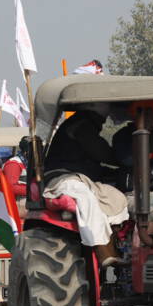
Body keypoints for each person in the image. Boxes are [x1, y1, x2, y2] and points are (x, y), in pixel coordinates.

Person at [43, 111, 128, 266]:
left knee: (117, 197)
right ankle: (103, 251)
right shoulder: (81, 124)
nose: (104, 122)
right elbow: (101, 152)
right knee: (84, 197)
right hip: (62, 177)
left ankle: (119, 243)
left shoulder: (85, 124)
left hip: (84, 178)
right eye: (103, 117)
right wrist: (127, 159)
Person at [2, 137, 29, 217]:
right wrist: (33, 190)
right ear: (26, 152)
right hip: (17, 208)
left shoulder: (30, 163)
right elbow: (11, 187)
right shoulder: (14, 164)